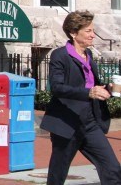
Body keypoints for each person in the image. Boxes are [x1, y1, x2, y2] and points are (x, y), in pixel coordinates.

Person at [40, 10, 121, 185]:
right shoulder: (60, 55)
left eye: (93, 30)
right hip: (67, 123)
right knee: (58, 174)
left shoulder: (89, 55)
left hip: (90, 123)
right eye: (88, 31)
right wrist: (89, 92)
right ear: (73, 33)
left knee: (113, 168)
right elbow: (57, 87)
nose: (93, 35)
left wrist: (109, 88)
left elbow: (91, 85)